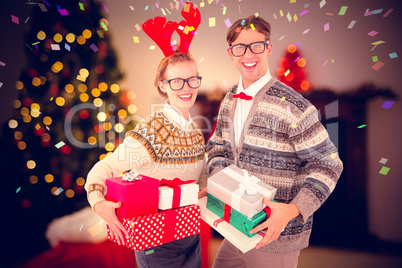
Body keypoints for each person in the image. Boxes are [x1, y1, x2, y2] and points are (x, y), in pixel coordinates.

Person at [205, 15, 343, 268]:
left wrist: (292, 210)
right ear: (230, 53)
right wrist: (218, 183)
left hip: (276, 235)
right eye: (240, 47)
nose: (248, 54)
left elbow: (328, 164)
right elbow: (217, 147)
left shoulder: (295, 106)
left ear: (269, 48)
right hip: (235, 227)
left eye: (256, 45)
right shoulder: (229, 100)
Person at [85, 52, 206, 268]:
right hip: (157, 245)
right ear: (163, 85)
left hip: (190, 238)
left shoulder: (196, 131)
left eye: (191, 79)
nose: (186, 88)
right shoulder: (151, 130)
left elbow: (201, 180)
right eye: (177, 81)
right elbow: (105, 167)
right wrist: (98, 203)